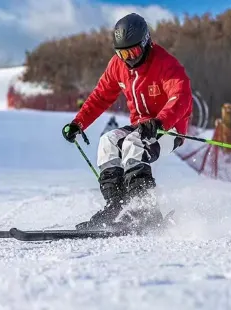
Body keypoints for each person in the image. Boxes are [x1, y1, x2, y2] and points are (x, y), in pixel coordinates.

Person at [61, 13, 192, 231]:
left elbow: (181, 96)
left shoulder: (165, 64)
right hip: (140, 126)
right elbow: (101, 96)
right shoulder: (118, 66)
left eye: (133, 51)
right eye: (122, 53)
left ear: (146, 42)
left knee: (134, 144)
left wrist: (160, 122)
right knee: (108, 141)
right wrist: (78, 123)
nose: (128, 58)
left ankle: (144, 209)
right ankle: (116, 206)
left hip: (169, 128)